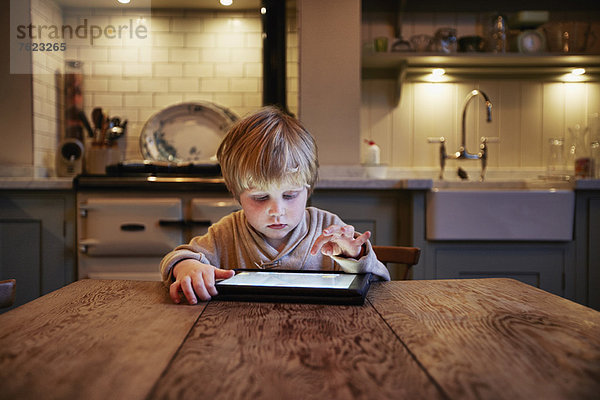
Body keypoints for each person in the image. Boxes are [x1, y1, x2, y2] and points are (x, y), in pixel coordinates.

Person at [160, 106, 390, 304]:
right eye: (260, 198)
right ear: (236, 194)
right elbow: (177, 257)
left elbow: (381, 286)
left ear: (308, 189)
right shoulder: (226, 233)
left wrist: (354, 257)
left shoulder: (328, 228)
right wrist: (188, 268)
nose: (277, 211)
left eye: (290, 195)